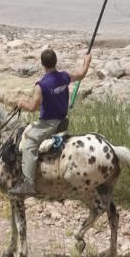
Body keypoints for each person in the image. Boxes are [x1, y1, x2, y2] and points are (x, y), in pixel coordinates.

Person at [9, 49, 93, 195]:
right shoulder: (64, 77)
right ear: (55, 62)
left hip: (48, 124)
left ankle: (28, 183)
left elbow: (33, 108)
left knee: (28, 144)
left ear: (42, 64)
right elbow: (81, 74)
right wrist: (87, 61)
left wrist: (22, 103)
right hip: (62, 120)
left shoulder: (41, 85)